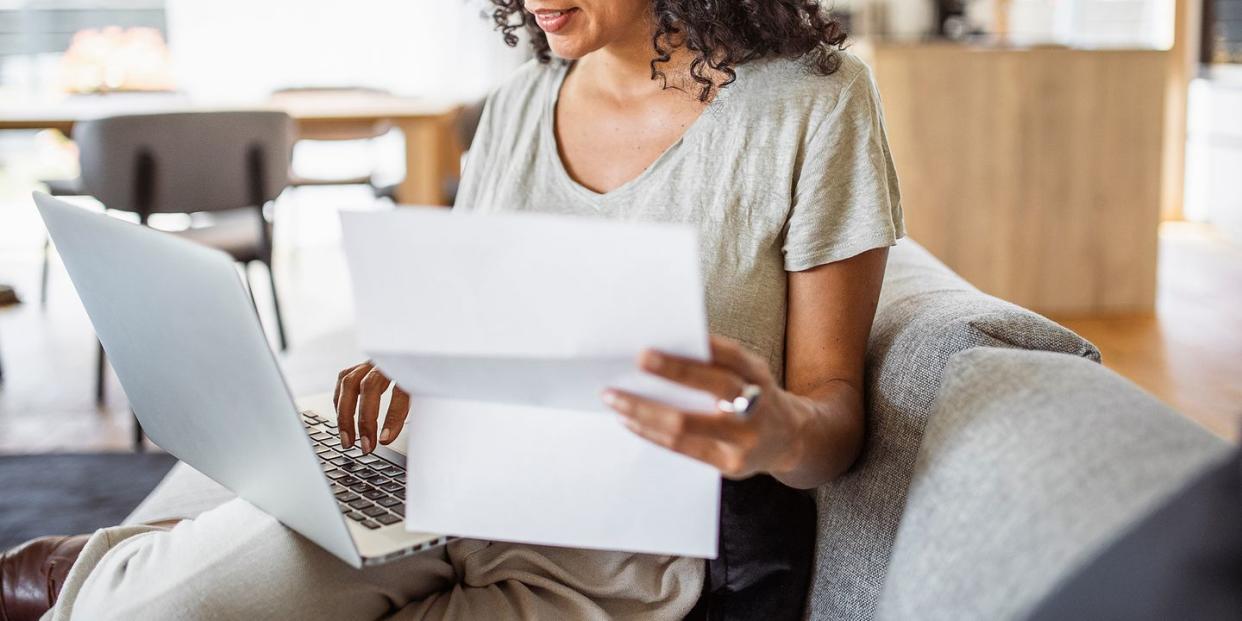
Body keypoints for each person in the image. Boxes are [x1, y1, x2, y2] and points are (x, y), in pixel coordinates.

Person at [42, 1, 903, 619]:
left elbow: (834, 420)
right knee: (158, 605)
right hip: (440, 491)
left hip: (614, 559)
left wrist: (774, 428)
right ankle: (106, 570)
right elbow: (481, 319)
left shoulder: (812, 104)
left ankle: (82, 569)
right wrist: (420, 359)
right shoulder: (521, 105)